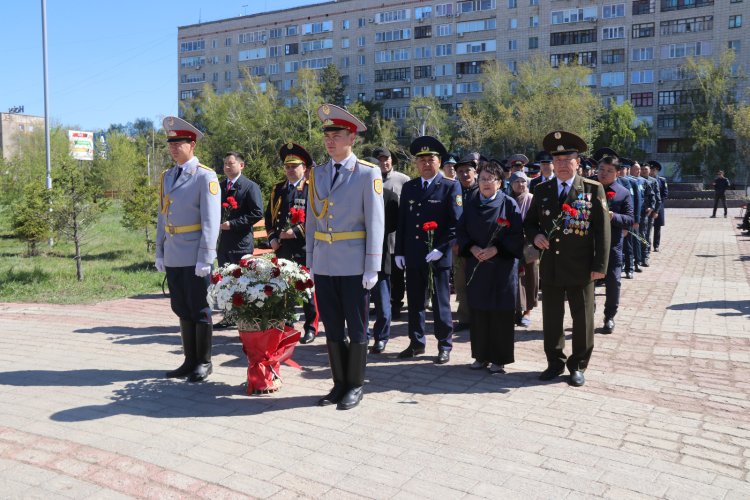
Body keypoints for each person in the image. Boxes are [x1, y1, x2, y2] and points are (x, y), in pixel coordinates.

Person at [305, 104, 384, 410]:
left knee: (357, 326)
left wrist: (372, 266)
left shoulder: (367, 173)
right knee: (333, 327)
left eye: (336, 134)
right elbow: (312, 221)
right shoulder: (318, 173)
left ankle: (355, 384)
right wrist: (310, 260)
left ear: (352, 137)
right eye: (327, 135)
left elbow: (376, 222)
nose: (329, 140)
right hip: (325, 263)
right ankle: (339, 384)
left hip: (354, 265)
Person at [524, 130, 610, 387]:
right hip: (550, 265)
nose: (561, 164)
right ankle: (554, 361)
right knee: (552, 318)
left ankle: (578, 365)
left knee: (582, 319)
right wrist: (536, 236)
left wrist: (599, 266)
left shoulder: (592, 190)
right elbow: (529, 224)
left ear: (577, 162)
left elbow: (602, 231)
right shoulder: (542, 190)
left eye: (567, 159)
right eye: (556, 159)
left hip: (581, 267)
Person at [155, 116, 220, 382]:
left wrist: (206, 257)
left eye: (178, 142)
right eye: (170, 143)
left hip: (195, 255)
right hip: (174, 253)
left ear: (191, 144)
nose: (173, 148)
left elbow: (210, 220)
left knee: (200, 309)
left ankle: (203, 362)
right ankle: (189, 359)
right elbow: (162, 215)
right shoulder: (167, 176)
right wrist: (159, 251)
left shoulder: (205, 176)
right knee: (182, 307)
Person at [394, 136, 463, 364]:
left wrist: (442, 249)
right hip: (413, 255)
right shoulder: (410, 187)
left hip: (437, 257)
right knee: (414, 302)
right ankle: (416, 343)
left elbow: (456, 224)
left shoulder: (450, 187)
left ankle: (444, 345)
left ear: (439, 161)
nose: (425, 163)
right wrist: (400, 251)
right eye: (421, 159)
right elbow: (403, 222)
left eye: (430, 159)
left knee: (441, 303)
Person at [457, 162, 524, 373]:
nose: (485, 183)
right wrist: (473, 248)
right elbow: (461, 231)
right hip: (477, 264)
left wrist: (496, 250)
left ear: (499, 182)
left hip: (502, 268)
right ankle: (480, 356)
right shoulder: (470, 203)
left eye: (490, 179)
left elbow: (517, 236)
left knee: (500, 313)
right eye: (482, 179)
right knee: (478, 310)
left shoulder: (509, 204)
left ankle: (499, 359)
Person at [265, 143, 319, 344]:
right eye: (287, 167)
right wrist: (272, 238)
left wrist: (295, 231)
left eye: (294, 166)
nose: (290, 170)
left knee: (306, 289)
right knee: (284, 288)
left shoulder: (310, 188)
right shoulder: (277, 189)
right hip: (282, 248)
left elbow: (315, 216)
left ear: (304, 168)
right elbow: (269, 217)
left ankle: (311, 327)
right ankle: (287, 324)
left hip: (303, 248)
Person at [214, 152, 264, 329]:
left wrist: (233, 224)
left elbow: (257, 213)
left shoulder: (249, 187)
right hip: (223, 243)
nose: (227, 166)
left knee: (243, 281)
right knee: (225, 280)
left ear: (241, 165)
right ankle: (229, 316)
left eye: (231, 163)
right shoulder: (219, 187)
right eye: (225, 163)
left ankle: (247, 317)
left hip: (241, 242)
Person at [363, 156, 400, 354]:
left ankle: (381, 337)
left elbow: (393, 226)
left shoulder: (390, 196)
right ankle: (362, 336)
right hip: (357, 256)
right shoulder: (354, 195)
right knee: (360, 303)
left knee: (383, 303)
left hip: (380, 255)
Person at [596, 156, 633, 334]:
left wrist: (613, 216)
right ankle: (588, 312)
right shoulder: (587, 188)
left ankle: (609, 316)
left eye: (609, 171)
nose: (604, 173)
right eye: (602, 169)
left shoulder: (623, 192)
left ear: (617, 173)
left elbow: (630, 218)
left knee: (613, 282)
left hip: (612, 245)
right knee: (586, 281)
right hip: (588, 244)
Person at [373, 146, 410, 319]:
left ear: (392, 160)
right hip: (376, 238)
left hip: (396, 235)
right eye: (380, 160)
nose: (384, 163)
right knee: (379, 272)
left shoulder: (403, 179)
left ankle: (396, 304)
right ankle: (380, 303)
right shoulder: (371, 178)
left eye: (386, 159)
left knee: (396, 273)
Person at [452, 153, 480, 331]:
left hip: (479, 245)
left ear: (475, 172)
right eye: (460, 171)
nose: (464, 174)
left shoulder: (482, 189)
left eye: (468, 170)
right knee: (461, 283)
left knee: (478, 282)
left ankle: (479, 316)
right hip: (459, 246)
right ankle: (464, 318)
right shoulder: (453, 190)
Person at [509, 171, 539, 328]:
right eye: (517, 181)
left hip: (529, 244)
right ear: (511, 184)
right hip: (512, 244)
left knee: (530, 275)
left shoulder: (532, 199)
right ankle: (516, 309)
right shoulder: (508, 199)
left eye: (523, 181)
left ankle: (528, 310)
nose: (520, 184)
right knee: (515, 277)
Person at [640, 162, 660, 267]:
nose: (643, 171)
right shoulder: (637, 180)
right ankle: (638, 256)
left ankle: (645, 257)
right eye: (642, 169)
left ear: (649, 171)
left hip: (649, 213)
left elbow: (657, 198)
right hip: (639, 212)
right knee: (639, 234)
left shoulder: (653, 181)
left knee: (646, 235)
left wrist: (655, 211)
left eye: (645, 170)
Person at [648, 161, 668, 251]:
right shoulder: (645, 180)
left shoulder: (662, 180)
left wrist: (658, 206)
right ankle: (646, 245)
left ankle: (656, 246)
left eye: (654, 170)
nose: (652, 171)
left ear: (657, 171)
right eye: (651, 169)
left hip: (658, 208)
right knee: (647, 227)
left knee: (657, 227)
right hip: (648, 207)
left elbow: (665, 194)